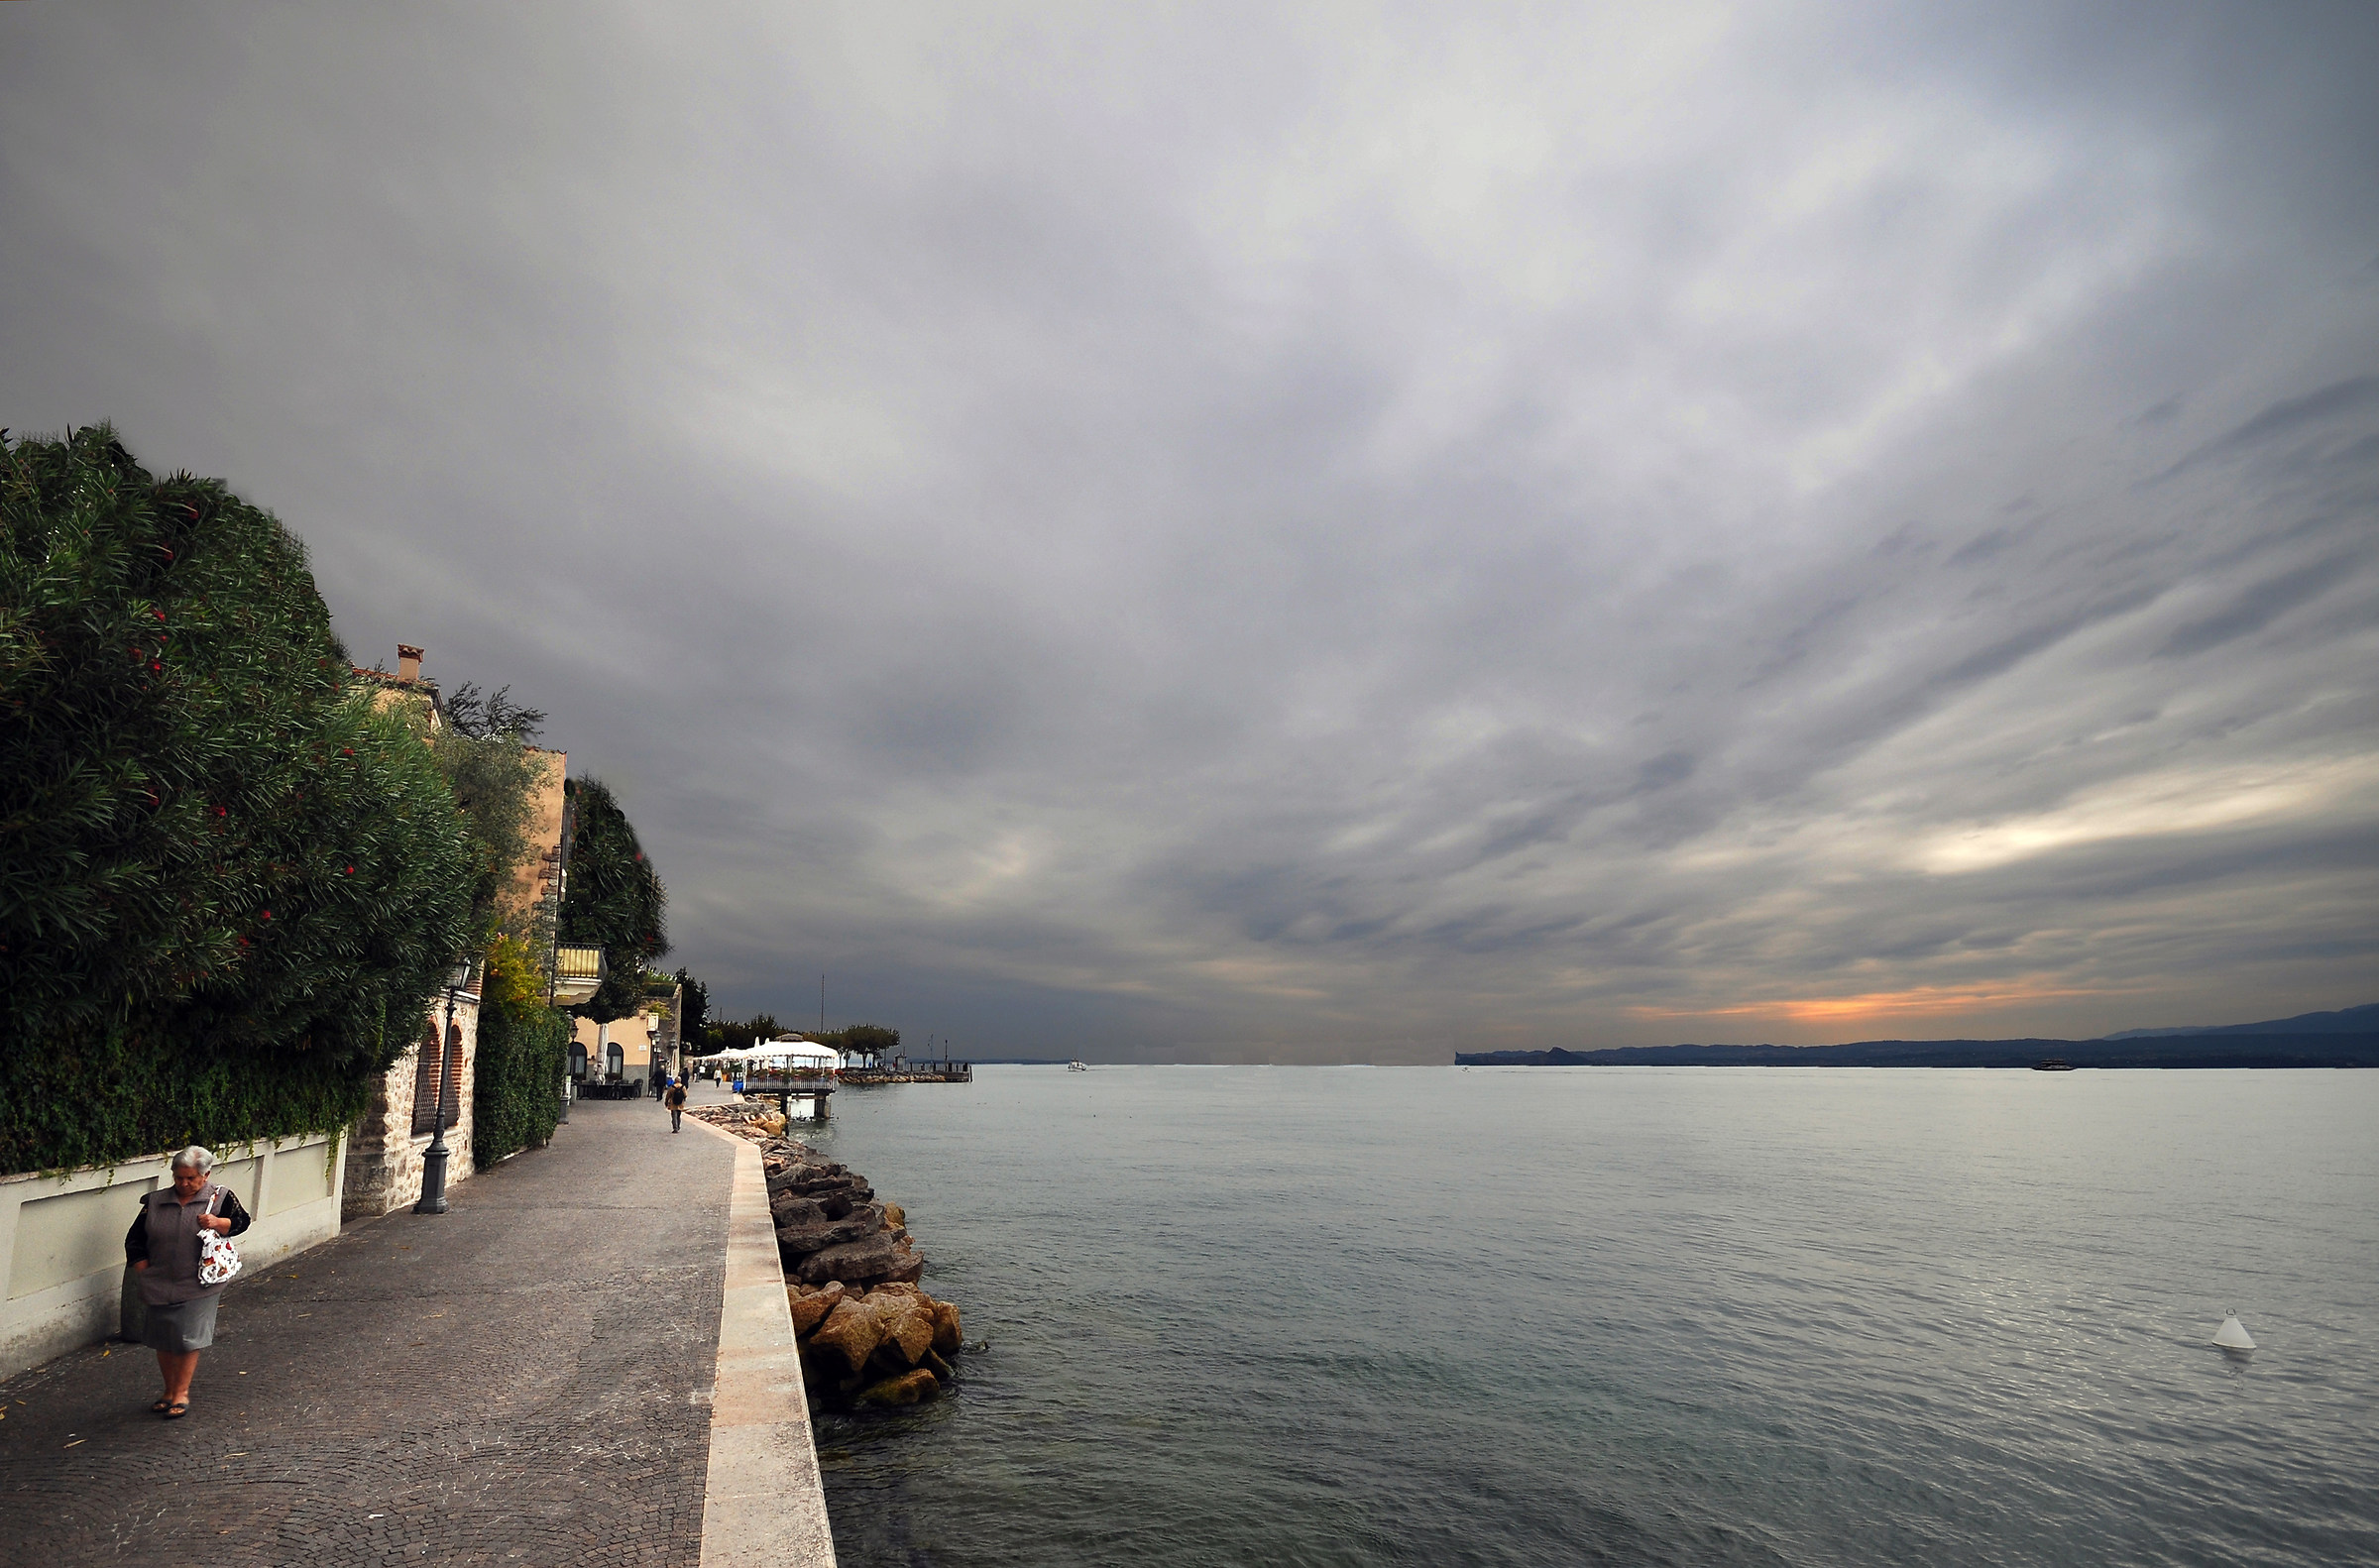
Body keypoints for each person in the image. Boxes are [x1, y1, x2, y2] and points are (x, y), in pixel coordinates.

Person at [124, 1146, 251, 1419]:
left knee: (187, 1337)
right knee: (163, 1337)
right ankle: (168, 1391)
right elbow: (134, 1238)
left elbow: (242, 1221)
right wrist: (142, 1267)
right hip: (159, 1280)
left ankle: (181, 1393)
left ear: (205, 1175)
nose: (183, 1183)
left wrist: (217, 1222)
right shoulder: (156, 1201)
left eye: (191, 1178)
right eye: (179, 1177)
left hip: (200, 1281)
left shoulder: (221, 1197)